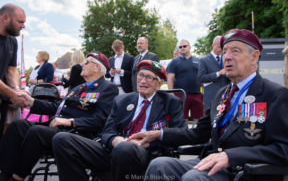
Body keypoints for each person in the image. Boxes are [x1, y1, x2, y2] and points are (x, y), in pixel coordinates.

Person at [130, 29, 288, 181]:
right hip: (213, 164)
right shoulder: (223, 94)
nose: (227, 57)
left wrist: (231, 156)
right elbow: (199, 133)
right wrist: (159, 134)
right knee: (160, 166)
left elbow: (287, 150)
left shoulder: (274, 93)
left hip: (246, 171)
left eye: (235, 51)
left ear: (254, 57)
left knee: (193, 178)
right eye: (225, 51)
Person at [51, 60, 187, 181]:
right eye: (140, 75)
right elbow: (108, 130)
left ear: (159, 84)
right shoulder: (122, 100)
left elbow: (181, 133)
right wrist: (114, 139)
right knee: (62, 139)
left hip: (145, 153)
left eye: (149, 77)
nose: (143, 81)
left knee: (125, 149)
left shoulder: (171, 102)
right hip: (112, 149)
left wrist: (152, 140)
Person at [0, 51, 118, 181]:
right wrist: (31, 101)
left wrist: (70, 122)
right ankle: (5, 174)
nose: (82, 65)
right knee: (18, 125)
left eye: (86, 62)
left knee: (37, 131)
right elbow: (58, 108)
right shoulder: (78, 88)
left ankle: (17, 178)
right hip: (56, 128)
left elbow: (101, 119)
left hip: (76, 134)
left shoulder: (108, 88)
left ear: (97, 67)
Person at [0, 3, 27, 137]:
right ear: (5, 18)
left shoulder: (12, 41)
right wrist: (12, 94)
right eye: (20, 22)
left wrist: (16, 89)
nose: (23, 26)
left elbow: (11, 70)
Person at [167, 39, 203, 120]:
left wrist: (204, 91)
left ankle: (196, 133)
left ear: (190, 47)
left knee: (199, 119)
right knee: (182, 119)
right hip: (180, 94)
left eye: (184, 46)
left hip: (196, 94)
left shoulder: (198, 61)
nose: (182, 48)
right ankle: (183, 133)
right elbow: (170, 78)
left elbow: (202, 77)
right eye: (180, 47)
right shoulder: (174, 62)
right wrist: (171, 93)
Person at [198, 36, 230, 113]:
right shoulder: (204, 60)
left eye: (223, 46)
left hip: (226, 96)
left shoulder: (227, 58)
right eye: (219, 46)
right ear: (213, 45)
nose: (221, 49)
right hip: (211, 97)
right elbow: (201, 78)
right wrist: (218, 73)